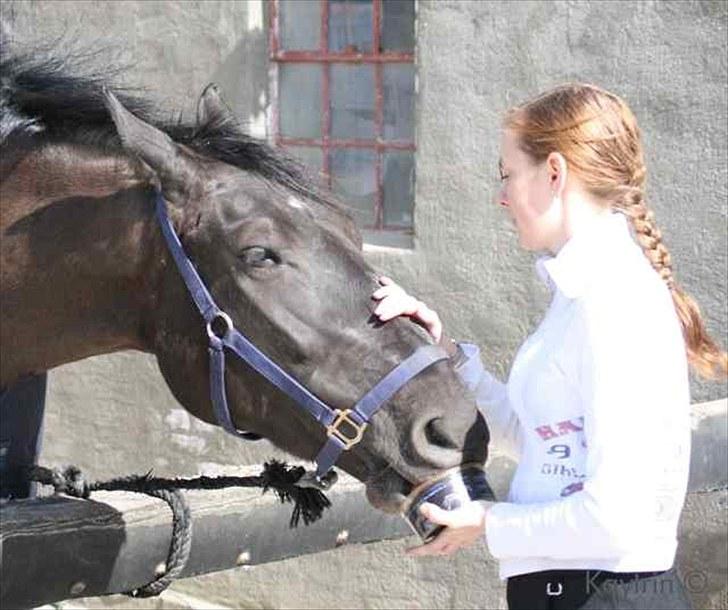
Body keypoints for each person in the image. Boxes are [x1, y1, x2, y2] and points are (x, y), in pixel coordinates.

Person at [371, 83, 727, 610]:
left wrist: (487, 522)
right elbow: (534, 434)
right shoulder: (583, 294)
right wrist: (446, 352)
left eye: (508, 174)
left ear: (555, 173)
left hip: (601, 595)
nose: (501, 195)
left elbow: (616, 519)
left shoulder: (615, 301)